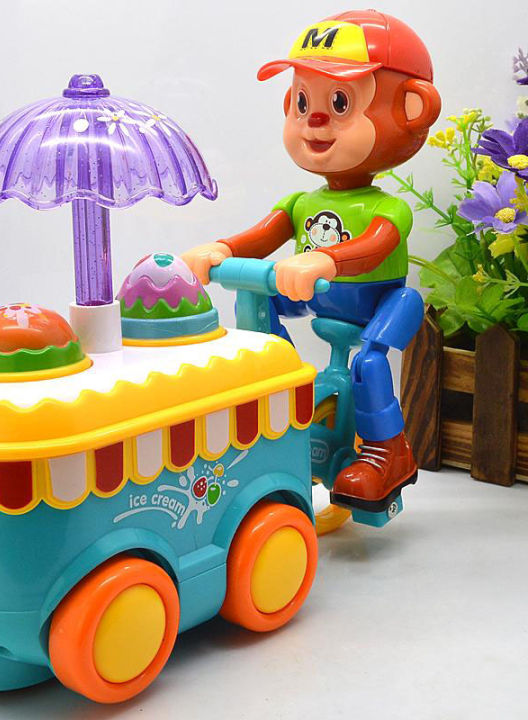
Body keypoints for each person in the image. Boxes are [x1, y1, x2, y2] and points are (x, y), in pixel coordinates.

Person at [182, 10, 441, 515]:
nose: (314, 120)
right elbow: (262, 235)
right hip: (312, 293)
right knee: (256, 309)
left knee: (370, 363)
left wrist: (325, 259)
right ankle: (274, 394)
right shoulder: (301, 202)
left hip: (380, 304)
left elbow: (375, 244)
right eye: (303, 102)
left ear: (412, 108)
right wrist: (221, 250)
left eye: (339, 103)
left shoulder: (389, 207)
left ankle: (388, 452)